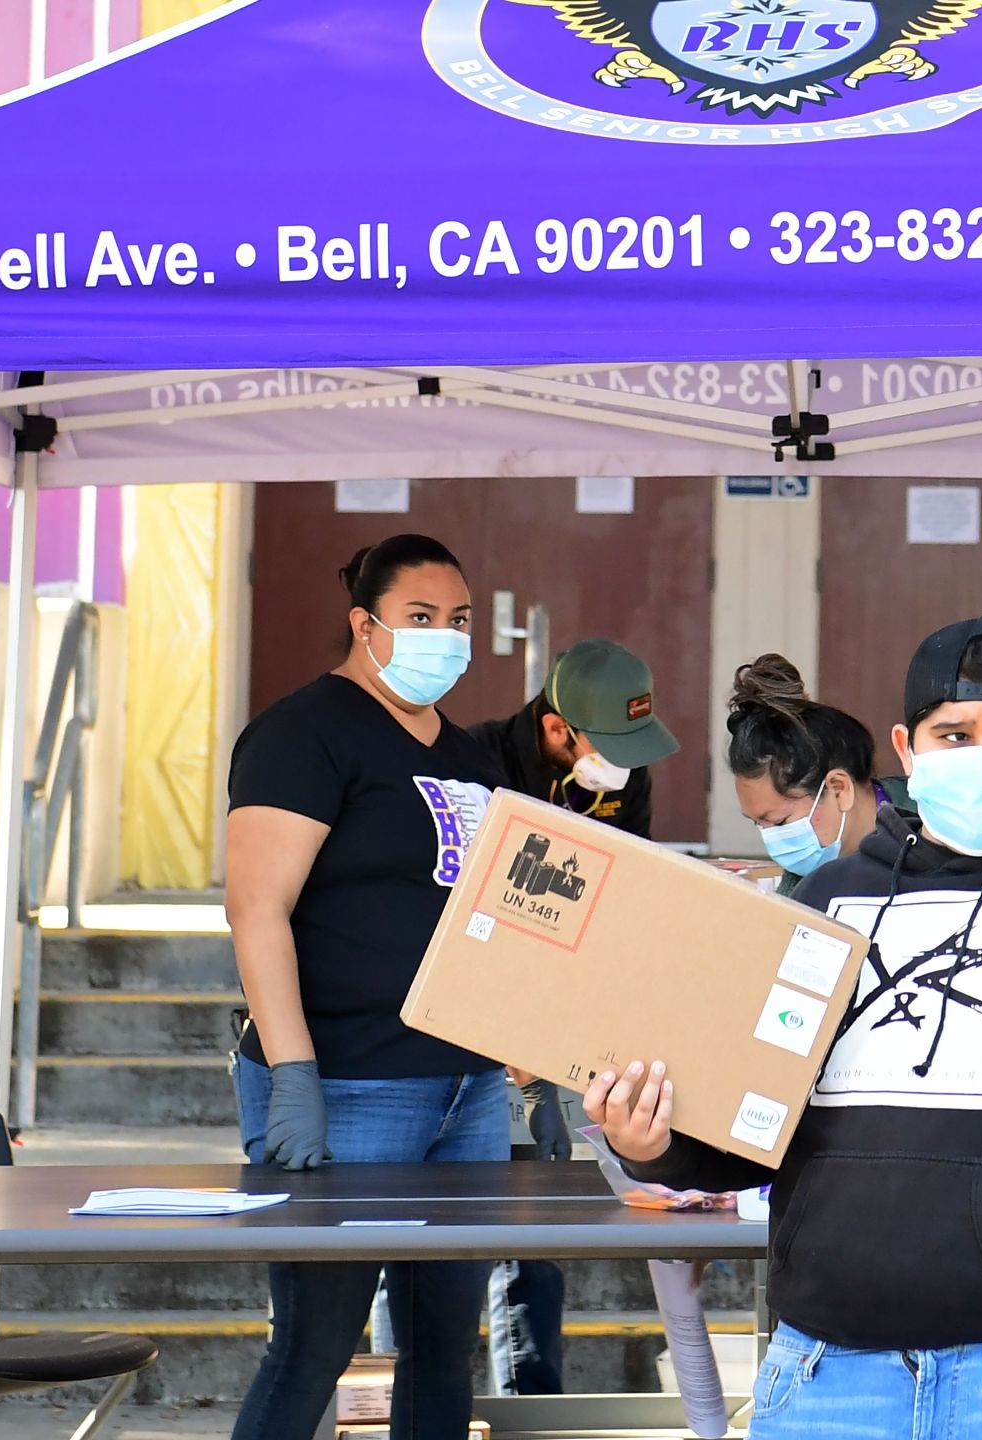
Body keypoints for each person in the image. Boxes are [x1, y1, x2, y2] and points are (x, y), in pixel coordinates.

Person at [588, 615, 982, 1437]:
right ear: (908, 745)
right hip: (828, 1377)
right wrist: (656, 1144)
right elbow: (755, 1118)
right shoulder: (826, 905)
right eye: (953, 733)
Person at [223, 533, 509, 1440]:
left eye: (458, 621)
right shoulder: (303, 732)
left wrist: (527, 1061)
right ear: (365, 622)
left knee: (442, 1343)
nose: (444, 638)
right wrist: (293, 1075)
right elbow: (256, 909)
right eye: (420, 618)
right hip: (347, 1085)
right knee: (317, 1340)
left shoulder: (471, 756)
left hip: (468, 1090)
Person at [445, 637, 678, 1394]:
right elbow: (464, 918)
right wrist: (507, 1038)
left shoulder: (622, 778)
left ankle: (531, 1405)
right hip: (453, 1035)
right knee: (423, 1245)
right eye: (608, 746)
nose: (624, 764)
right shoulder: (472, 764)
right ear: (556, 728)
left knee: (533, 1226)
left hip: (550, 1037)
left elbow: (625, 895)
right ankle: (408, 1407)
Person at [473, 636, 679, 837]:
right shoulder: (477, 761)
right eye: (608, 744)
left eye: (628, 740)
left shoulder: (629, 762)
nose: (621, 759)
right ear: (556, 729)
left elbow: (637, 858)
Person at [723, 652, 891, 895]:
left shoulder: (932, 837)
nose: (773, 843)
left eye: (780, 822)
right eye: (760, 825)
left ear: (838, 789)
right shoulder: (799, 888)